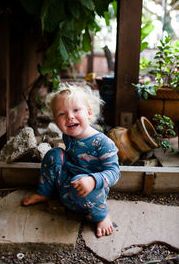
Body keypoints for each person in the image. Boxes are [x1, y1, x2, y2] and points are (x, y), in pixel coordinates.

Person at [23, 83, 120, 238]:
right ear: (55, 120)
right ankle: (45, 192)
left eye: (76, 110)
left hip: (88, 193)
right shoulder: (68, 135)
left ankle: (102, 215)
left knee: (87, 186)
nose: (69, 117)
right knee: (54, 153)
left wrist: (93, 181)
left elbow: (114, 173)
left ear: (89, 113)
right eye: (62, 114)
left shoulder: (104, 144)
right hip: (66, 184)